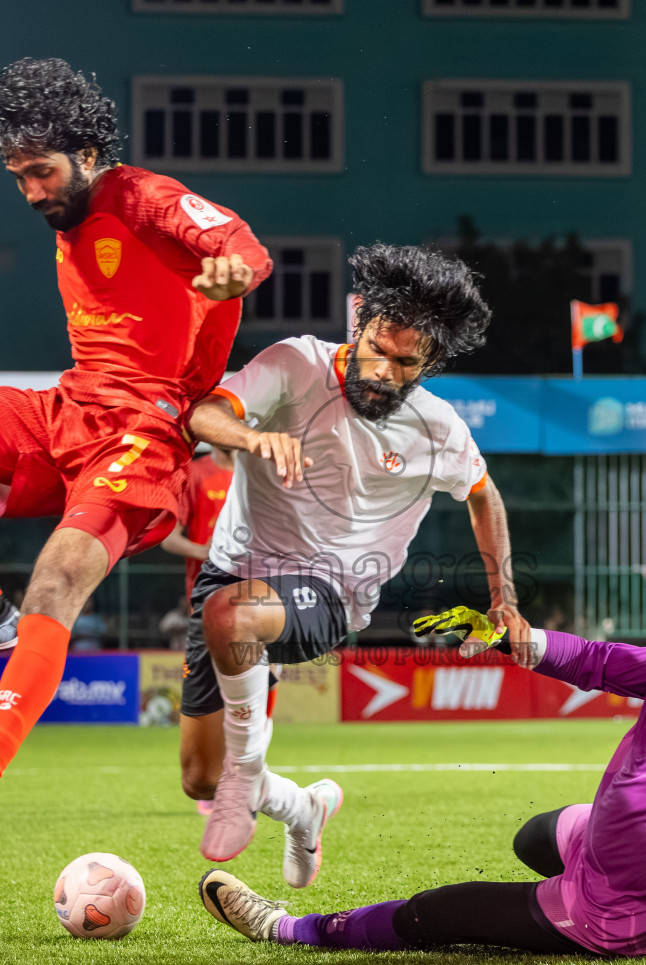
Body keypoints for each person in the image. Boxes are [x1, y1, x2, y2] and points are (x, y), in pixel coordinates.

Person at [0, 57, 272, 855]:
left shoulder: (142, 196)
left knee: (55, 580)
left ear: (87, 151)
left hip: (146, 433)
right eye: (17, 176)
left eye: (41, 172)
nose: (30, 192)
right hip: (68, 407)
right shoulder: (69, 211)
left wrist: (234, 271)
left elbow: (237, 241)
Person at [201, 571, 646, 965]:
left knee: (438, 914)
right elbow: (594, 661)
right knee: (534, 838)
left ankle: (285, 927)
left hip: (611, 913)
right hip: (603, 855)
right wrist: (503, 636)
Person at [184, 243, 531, 888]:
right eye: (378, 349)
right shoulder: (294, 365)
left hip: (333, 591)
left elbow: (484, 495)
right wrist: (251, 435)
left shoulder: (439, 428)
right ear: (359, 324)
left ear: (431, 364)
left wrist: (502, 597)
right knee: (195, 774)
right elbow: (205, 414)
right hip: (233, 567)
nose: (385, 372)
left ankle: (244, 776)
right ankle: (303, 808)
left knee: (232, 619)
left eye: (407, 364)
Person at [161, 446, 235, 602]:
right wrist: (202, 552)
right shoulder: (194, 472)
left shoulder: (259, 475)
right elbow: (168, 538)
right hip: (208, 588)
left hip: (252, 588)